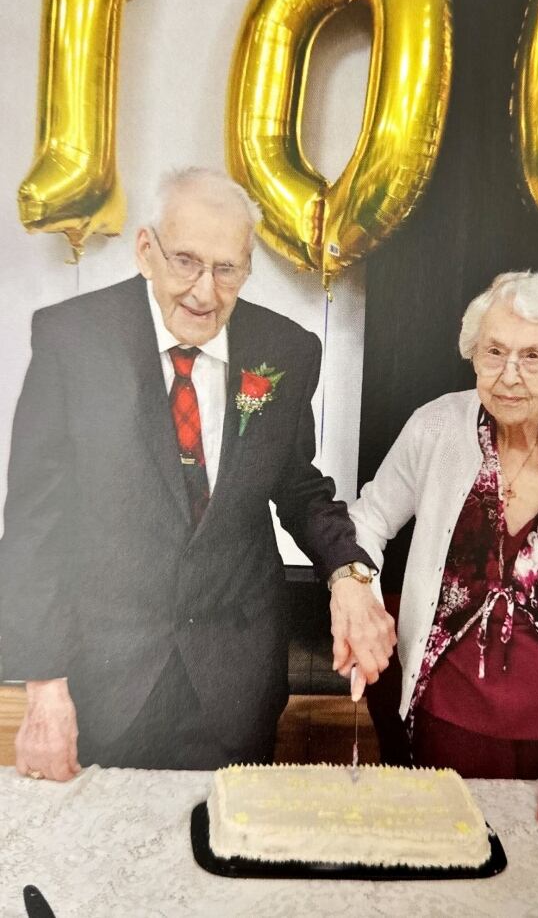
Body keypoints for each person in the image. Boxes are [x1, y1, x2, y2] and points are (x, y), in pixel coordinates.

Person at [0, 167, 394, 780]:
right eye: (185, 261)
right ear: (146, 249)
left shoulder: (285, 349)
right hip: (106, 674)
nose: (204, 293)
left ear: (246, 267)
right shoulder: (72, 340)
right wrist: (45, 685)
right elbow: (34, 526)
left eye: (226, 269)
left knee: (225, 851)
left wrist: (347, 574)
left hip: (234, 675)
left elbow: (296, 484)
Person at [350, 271, 538, 829]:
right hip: (451, 719)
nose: (509, 376)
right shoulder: (435, 428)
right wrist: (357, 592)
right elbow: (368, 518)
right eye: (494, 352)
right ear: (473, 354)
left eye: (532, 356)